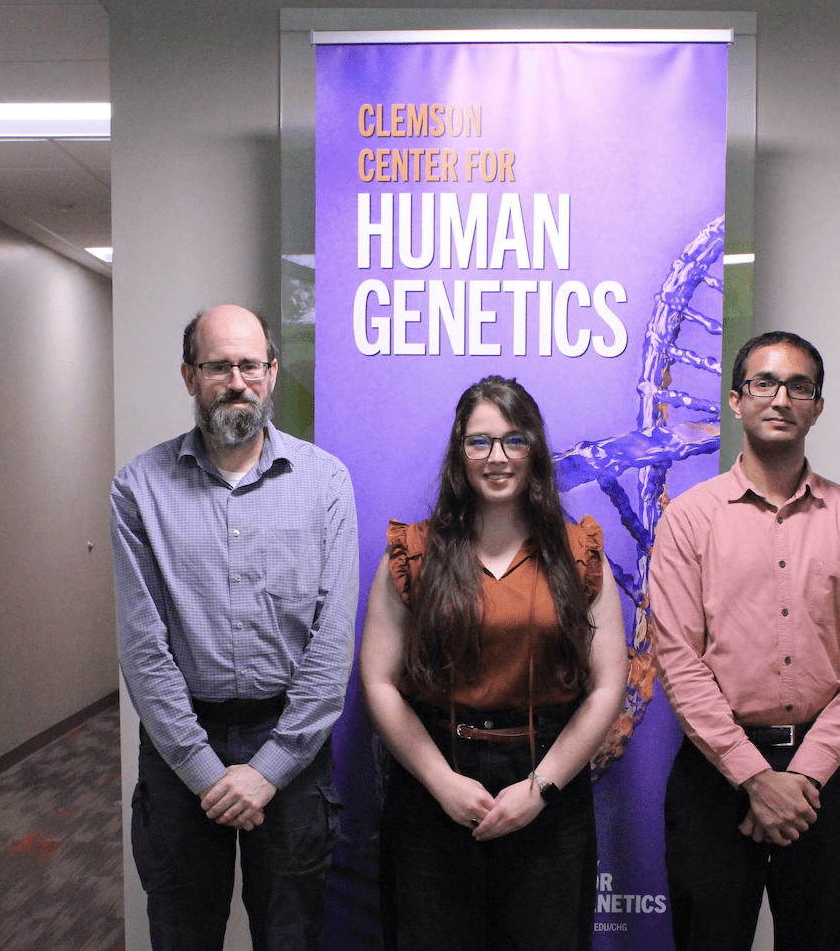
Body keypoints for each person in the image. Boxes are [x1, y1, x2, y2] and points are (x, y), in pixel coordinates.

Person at [111, 305, 358, 951]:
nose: (236, 380)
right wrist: (204, 770)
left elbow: (331, 650)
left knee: (292, 937)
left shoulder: (326, 483)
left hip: (294, 748)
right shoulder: (139, 490)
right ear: (190, 376)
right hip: (177, 749)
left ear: (272, 373)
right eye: (218, 366)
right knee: (182, 935)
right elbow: (143, 650)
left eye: (250, 364)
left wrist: (269, 768)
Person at [649, 332, 840, 951]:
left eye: (799, 386)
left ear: (817, 406)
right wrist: (756, 778)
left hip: (829, 780)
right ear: (736, 400)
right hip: (715, 776)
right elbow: (679, 662)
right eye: (764, 382)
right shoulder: (688, 518)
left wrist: (803, 776)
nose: (781, 398)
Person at [359, 375, 628, 951]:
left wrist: (541, 789)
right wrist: (441, 783)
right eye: (479, 442)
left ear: (535, 449)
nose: (497, 457)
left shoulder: (579, 552)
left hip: (548, 786)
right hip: (435, 787)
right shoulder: (412, 552)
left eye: (514, 440)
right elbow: (379, 682)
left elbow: (609, 686)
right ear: (460, 454)